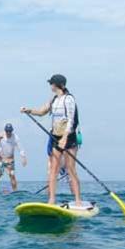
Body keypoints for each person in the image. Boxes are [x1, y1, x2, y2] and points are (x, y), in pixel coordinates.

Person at [21, 74, 83, 207]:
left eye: (52, 83)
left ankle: (78, 200)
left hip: (69, 137)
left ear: (57, 85)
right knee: (53, 169)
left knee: (70, 168)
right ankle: (51, 200)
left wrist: (65, 138)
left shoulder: (69, 99)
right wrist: (29, 111)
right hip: (56, 136)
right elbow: (42, 111)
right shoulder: (54, 99)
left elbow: (71, 120)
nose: (50, 85)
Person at [0, 123, 26, 192]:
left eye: (10, 131)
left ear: (12, 131)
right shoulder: (0, 136)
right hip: (0, 160)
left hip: (10, 161)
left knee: (12, 175)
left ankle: (15, 192)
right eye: (7, 131)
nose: (8, 133)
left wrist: (23, 157)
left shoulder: (15, 137)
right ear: (5, 130)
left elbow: (20, 148)